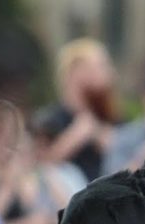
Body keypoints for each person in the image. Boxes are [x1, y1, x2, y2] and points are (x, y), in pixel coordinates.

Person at [37, 38, 118, 182]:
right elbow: (38, 167)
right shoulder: (50, 119)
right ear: (75, 72)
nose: (109, 73)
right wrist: (75, 136)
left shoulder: (111, 118)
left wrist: (101, 136)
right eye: (100, 66)